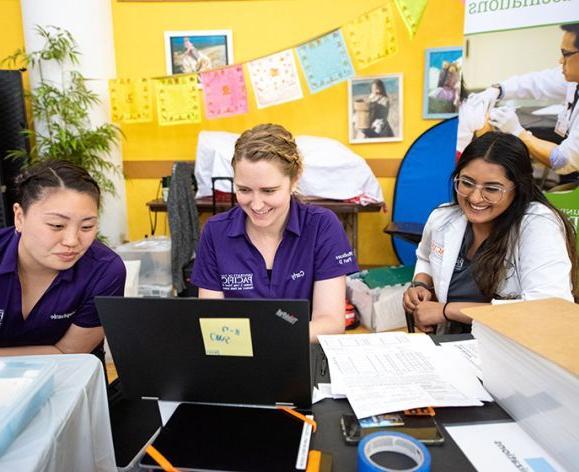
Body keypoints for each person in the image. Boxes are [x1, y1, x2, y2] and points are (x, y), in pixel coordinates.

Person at [191, 124, 359, 342]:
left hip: (301, 353)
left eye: (269, 191)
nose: (257, 204)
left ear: (295, 179)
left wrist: (267, 339)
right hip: (236, 358)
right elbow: (212, 321)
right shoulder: (215, 232)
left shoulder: (322, 226)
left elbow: (330, 321)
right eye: (244, 190)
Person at [403, 132, 576, 334]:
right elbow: (425, 257)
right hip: (451, 345)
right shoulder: (444, 217)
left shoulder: (538, 225)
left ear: (519, 188)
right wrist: (420, 285)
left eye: (492, 189)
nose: (475, 198)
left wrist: (446, 310)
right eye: (466, 183)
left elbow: (547, 310)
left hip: (512, 349)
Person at [0, 160, 126, 356]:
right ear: (19, 217)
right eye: (57, 225)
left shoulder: (105, 270)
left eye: (86, 227)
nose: (72, 241)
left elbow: (68, 353)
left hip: (68, 380)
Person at [472, 23, 579, 176]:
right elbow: (536, 82)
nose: (560, 60)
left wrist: (518, 132)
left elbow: (563, 161)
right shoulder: (572, 79)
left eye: (565, 53)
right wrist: (497, 89)